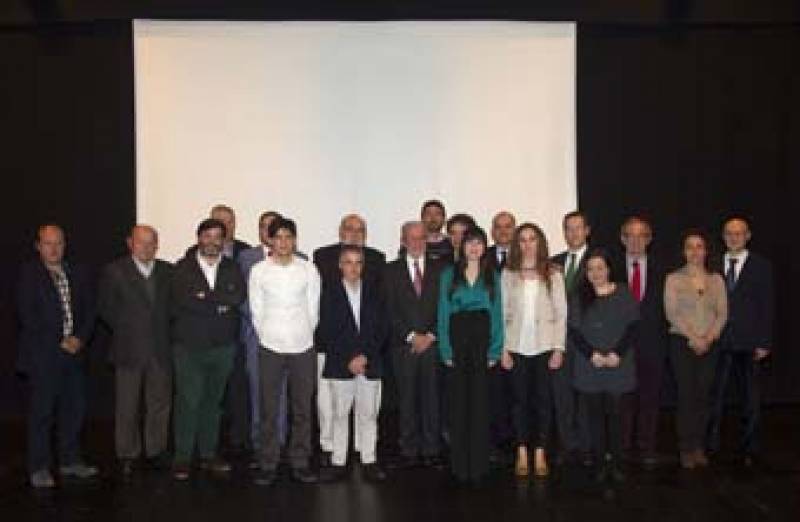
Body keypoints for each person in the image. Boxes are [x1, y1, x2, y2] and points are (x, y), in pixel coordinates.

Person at [17, 225, 98, 488]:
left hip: (74, 354)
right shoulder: (28, 275)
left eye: (59, 243)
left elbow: (89, 309)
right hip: (44, 356)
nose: (54, 249)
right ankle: (39, 466)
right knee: (42, 414)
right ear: (38, 246)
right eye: (48, 243)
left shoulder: (77, 272)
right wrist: (59, 341)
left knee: (74, 410)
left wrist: (79, 338)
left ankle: (70, 461)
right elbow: (28, 316)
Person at [170, 218, 246, 480]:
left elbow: (237, 298)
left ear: (224, 241)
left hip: (223, 347)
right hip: (189, 347)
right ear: (199, 237)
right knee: (188, 402)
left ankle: (207, 455)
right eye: (208, 236)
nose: (213, 241)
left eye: (218, 237)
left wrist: (205, 297)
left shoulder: (233, 268)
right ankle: (182, 457)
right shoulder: (181, 268)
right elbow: (185, 302)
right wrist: (218, 303)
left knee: (213, 404)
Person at [249, 217, 321, 486]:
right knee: (269, 408)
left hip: (303, 346)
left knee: (302, 408)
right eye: (277, 237)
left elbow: (313, 309)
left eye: (288, 237)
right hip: (270, 346)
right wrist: (270, 335)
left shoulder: (308, 270)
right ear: (269, 240)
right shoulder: (259, 271)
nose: (283, 242)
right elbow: (257, 312)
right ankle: (268, 462)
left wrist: (302, 332)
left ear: (295, 239)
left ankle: (300, 461)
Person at [98, 225, 173, 477]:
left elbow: (173, 309)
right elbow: (106, 309)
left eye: (152, 242)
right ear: (130, 243)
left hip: (161, 348)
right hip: (128, 348)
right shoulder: (114, 271)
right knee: (127, 405)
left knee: (159, 404)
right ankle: (127, 453)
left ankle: (155, 450)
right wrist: (131, 330)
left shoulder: (167, 271)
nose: (147, 247)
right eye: (141, 242)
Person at [313, 214, 386, 466]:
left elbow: (380, 329)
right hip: (339, 362)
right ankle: (338, 461)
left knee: (368, 414)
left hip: (370, 361)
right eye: (348, 262)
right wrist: (349, 357)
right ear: (339, 265)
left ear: (363, 266)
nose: (353, 267)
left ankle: (369, 459)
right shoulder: (327, 295)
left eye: (358, 263)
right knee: (339, 414)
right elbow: (328, 330)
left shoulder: (375, 293)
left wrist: (364, 355)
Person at [500, 223, 567, 478]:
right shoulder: (507, 274)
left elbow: (561, 314)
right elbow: (502, 313)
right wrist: (503, 349)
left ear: (540, 243)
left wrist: (558, 348)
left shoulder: (553, 273)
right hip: (516, 347)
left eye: (532, 239)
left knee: (542, 402)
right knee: (518, 403)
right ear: (517, 244)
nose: (528, 244)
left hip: (544, 346)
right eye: (523, 240)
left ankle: (540, 451)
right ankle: (521, 452)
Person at [438, 226, 503, 484]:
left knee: (479, 403)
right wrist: (445, 348)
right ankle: (460, 465)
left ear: (484, 247)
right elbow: (443, 313)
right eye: (469, 243)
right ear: (461, 246)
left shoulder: (492, 275)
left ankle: (478, 465)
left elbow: (497, 314)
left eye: (479, 243)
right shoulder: (448, 274)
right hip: (457, 337)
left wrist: (495, 349)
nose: (474, 248)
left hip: (482, 339)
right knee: (458, 403)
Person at [568, 248, 640, 484]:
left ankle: (618, 463)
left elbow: (633, 328)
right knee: (595, 419)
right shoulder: (579, 296)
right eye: (590, 269)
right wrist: (592, 355)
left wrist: (617, 354)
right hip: (591, 366)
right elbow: (574, 332)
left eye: (600, 268)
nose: (595, 273)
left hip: (619, 365)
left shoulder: (623, 293)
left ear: (609, 269)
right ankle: (600, 464)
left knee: (618, 418)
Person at [707, 217, 774, 467]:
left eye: (739, 233)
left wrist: (764, 341)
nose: (733, 238)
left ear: (748, 236)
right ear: (723, 237)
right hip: (719, 339)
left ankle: (750, 448)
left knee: (750, 398)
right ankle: (711, 444)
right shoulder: (713, 264)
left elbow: (767, 305)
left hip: (749, 342)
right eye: (729, 233)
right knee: (716, 396)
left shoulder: (761, 266)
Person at [383, 221, 445, 468]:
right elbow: (387, 310)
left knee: (432, 398)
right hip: (403, 346)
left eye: (421, 238)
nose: (418, 242)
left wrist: (430, 335)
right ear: (403, 240)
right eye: (412, 238)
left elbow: (447, 308)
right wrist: (411, 336)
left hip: (433, 344)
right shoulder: (390, 271)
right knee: (406, 399)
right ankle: (408, 449)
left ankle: (432, 448)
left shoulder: (442, 270)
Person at [664, 230, 727, 469]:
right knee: (686, 396)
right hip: (682, 343)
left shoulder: (716, 280)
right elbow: (672, 313)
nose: (694, 252)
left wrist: (708, 338)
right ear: (684, 252)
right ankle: (685, 448)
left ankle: (699, 446)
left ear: (706, 251)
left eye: (699, 246)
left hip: (710, 344)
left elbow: (722, 313)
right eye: (689, 247)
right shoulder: (673, 279)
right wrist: (694, 338)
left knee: (703, 396)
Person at [614, 216, 668, 467]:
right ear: (622, 239)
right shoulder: (610, 268)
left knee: (650, 398)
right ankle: (622, 448)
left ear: (649, 239)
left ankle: (647, 447)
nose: (635, 241)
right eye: (630, 235)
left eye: (641, 235)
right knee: (623, 399)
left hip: (653, 344)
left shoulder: (665, 269)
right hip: (620, 345)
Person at [237, 211, 286, 458]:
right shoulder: (245, 258)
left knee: (283, 392)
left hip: (287, 338)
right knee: (259, 392)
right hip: (256, 335)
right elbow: (240, 296)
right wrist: (263, 321)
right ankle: (261, 445)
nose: (268, 230)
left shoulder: (299, 259)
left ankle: (281, 442)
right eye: (263, 226)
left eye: (273, 226)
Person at [550, 211, 592, 463]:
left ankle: (586, 446)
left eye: (578, 228)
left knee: (585, 395)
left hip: (587, 340)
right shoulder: (554, 262)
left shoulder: (598, 261)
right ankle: (567, 444)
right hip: (559, 340)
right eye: (568, 228)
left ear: (587, 230)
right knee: (562, 394)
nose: (573, 233)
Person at [209, 204, 251, 456]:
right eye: (219, 222)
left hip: (240, 332)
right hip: (207, 334)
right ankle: (211, 442)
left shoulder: (246, 253)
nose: (224, 226)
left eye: (229, 221)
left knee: (239, 389)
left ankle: (239, 438)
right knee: (211, 392)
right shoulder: (193, 253)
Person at [487, 211, 517, 463]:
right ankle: (495, 443)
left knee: (518, 393)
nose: (504, 231)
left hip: (521, 339)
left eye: (509, 227)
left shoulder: (526, 258)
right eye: (499, 227)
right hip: (490, 339)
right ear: (492, 231)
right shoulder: (480, 256)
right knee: (493, 393)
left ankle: (517, 442)